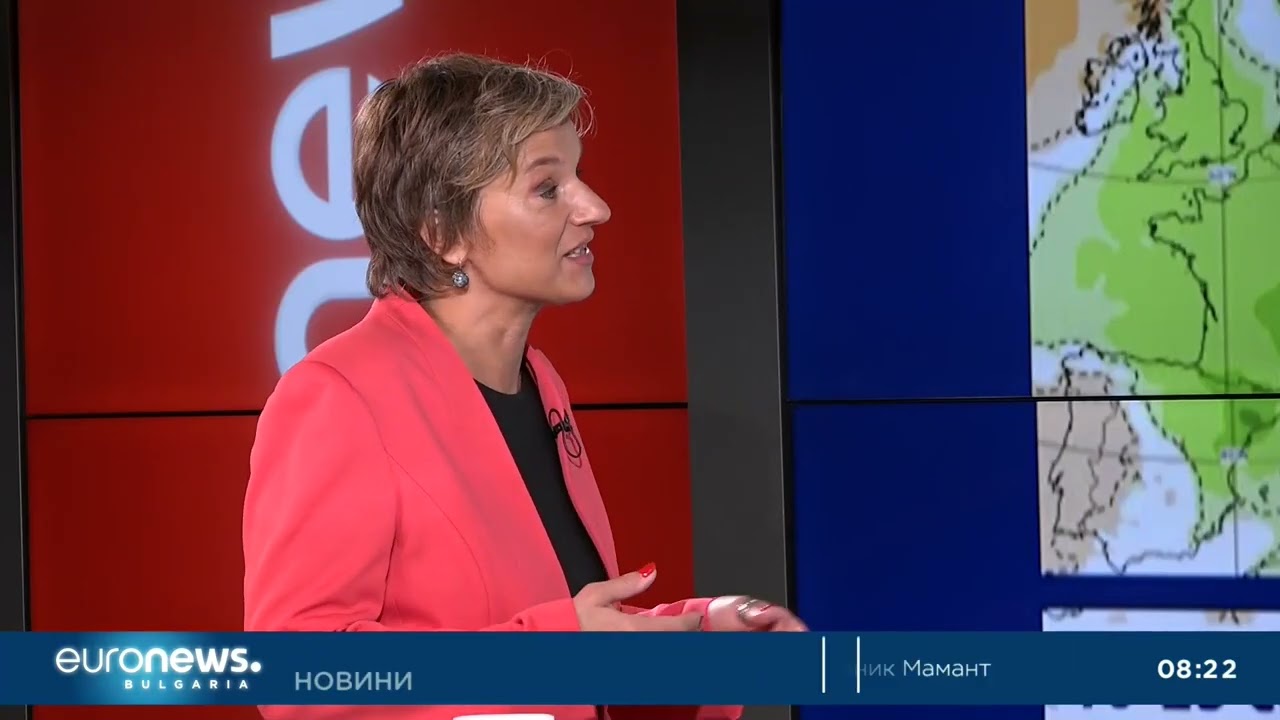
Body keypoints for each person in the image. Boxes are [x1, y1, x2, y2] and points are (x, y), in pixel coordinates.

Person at [242, 52, 806, 720]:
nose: (595, 208)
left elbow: (539, 624)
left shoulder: (541, 382)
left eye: (579, 177)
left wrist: (696, 633)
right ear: (442, 232)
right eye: (547, 188)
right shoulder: (337, 396)